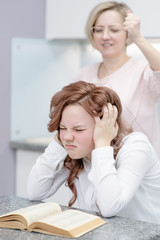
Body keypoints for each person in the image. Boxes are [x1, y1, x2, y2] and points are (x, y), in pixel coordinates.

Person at [27, 81, 160, 224]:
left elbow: (110, 207)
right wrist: (58, 143)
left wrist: (102, 143)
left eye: (78, 129)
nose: (67, 137)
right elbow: (35, 192)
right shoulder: (76, 150)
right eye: (62, 127)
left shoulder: (136, 147)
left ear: (105, 125)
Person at [73, 1, 160, 158]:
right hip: (96, 165)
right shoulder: (84, 75)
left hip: (140, 166)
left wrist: (139, 37)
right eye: (98, 30)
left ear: (128, 33)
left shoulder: (143, 72)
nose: (105, 36)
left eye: (114, 30)